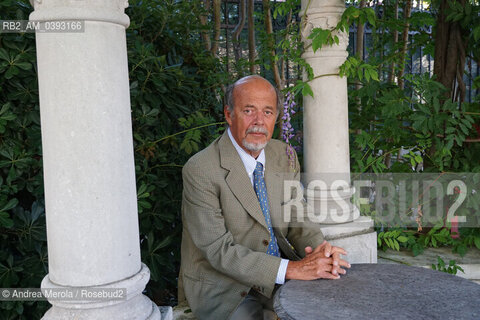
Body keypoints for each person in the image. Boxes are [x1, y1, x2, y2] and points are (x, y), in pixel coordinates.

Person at [178, 75, 350, 320]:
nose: (259, 122)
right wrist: (292, 269)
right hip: (226, 286)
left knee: (335, 307)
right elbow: (218, 251)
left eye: (268, 112)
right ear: (229, 114)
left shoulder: (284, 154)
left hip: (279, 271)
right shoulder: (201, 169)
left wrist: (319, 251)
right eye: (249, 110)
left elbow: (297, 217)